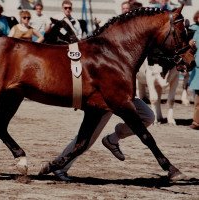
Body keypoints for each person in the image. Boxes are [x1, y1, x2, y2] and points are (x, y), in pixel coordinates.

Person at [38, 2, 155, 181]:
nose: (125, 15)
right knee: (87, 138)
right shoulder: (115, 32)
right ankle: (61, 165)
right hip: (106, 91)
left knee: (148, 116)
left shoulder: (138, 37)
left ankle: (113, 138)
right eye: (124, 11)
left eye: (128, 12)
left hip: (123, 91)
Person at [188, 11, 199, 130]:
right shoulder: (192, 29)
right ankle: (197, 122)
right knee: (198, 98)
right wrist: (189, 43)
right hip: (197, 68)